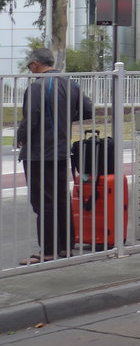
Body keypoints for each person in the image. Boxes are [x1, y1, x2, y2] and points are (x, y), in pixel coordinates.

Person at [15, 48, 94, 264]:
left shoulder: (37, 86)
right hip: (60, 151)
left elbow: (31, 118)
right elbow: (88, 110)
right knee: (61, 199)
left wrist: (20, 137)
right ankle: (66, 247)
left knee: (43, 202)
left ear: (35, 64)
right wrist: (65, 117)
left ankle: (48, 251)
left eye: (30, 65)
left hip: (39, 153)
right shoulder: (70, 83)